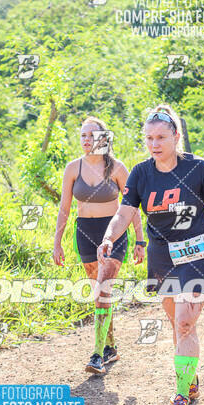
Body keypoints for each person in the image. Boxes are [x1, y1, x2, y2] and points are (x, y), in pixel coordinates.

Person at [97, 104, 204, 405]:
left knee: (184, 321)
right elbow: (125, 213)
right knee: (176, 323)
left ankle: (181, 398)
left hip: (198, 255)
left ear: (176, 137)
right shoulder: (141, 173)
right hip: (163, 257)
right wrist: (110, 237)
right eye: (149, 138)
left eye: (161, 137)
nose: (154, 143)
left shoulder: (199, 169)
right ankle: (189, 379)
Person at [53, 116, 145, 375]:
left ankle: (96, 354)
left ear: (103, 139)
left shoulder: (117, 168)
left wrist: (140, 240)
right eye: (83, 135)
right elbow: (64, 208)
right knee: (99, 293)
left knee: (103, 289)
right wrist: (57, 244)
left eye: (91, 135)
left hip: (113, 233)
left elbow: (132, 207)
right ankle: (111, 347)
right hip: (84, 232)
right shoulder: (73, 168)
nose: (86, 140)